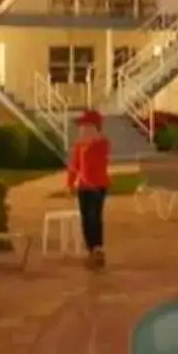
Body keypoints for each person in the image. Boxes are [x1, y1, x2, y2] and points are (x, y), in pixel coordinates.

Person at [67, 108, 112, 269]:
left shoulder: (102, 144)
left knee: (95, 217)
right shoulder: (80, 145)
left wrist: (89, 146)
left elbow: (97, 162)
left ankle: (98, 249)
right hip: (84, 187)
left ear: (94, 127)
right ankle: (91, 250)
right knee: (85, 218)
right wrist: (71, 182)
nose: (82, 129)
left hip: (98, 186)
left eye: (86, 126)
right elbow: (75, 165)